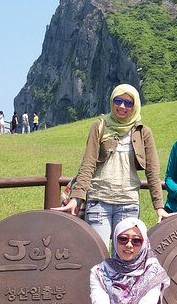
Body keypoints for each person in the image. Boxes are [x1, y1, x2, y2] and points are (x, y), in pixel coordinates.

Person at [65, 84, 166, 249]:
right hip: (99, 200)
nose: (122, 106)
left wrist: (159, 207)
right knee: (99, 255)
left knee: (124, 257)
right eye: (118, 100)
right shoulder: (100, 126)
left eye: (128, 103)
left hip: (128, 203)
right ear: (112, 101)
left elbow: (152, 172)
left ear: (135, 106)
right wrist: (76, 197)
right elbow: (88, 163)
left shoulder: (143, 132)